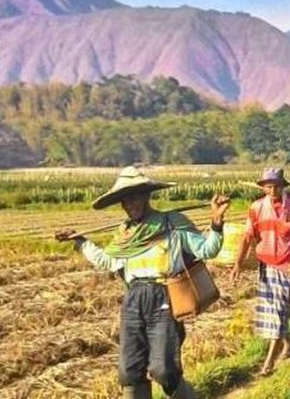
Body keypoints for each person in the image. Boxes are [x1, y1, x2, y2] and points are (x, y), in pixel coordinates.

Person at [55, 166, 229, 399]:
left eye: (135, 196)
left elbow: (208, 249)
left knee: (164, 370)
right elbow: (107, 261)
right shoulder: (124, 235)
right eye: (126, 200)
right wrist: (80, 241)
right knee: (130, 371)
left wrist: (216, 222)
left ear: (146, 196)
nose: (131, 204)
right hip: (134, 300)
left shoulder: (172, 224)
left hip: (164, 298)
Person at [230, 167, 290, 375]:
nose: (272, 190)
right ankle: (285, 347)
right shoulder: (256, 208)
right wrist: (238, 263)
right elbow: (248, 237)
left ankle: (268, 365)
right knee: (275, 315)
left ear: (283, 186)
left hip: (288, 267)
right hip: (266, 265)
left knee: (281, 312)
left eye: (276, 186)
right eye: (268, 186)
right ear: (264, 188)